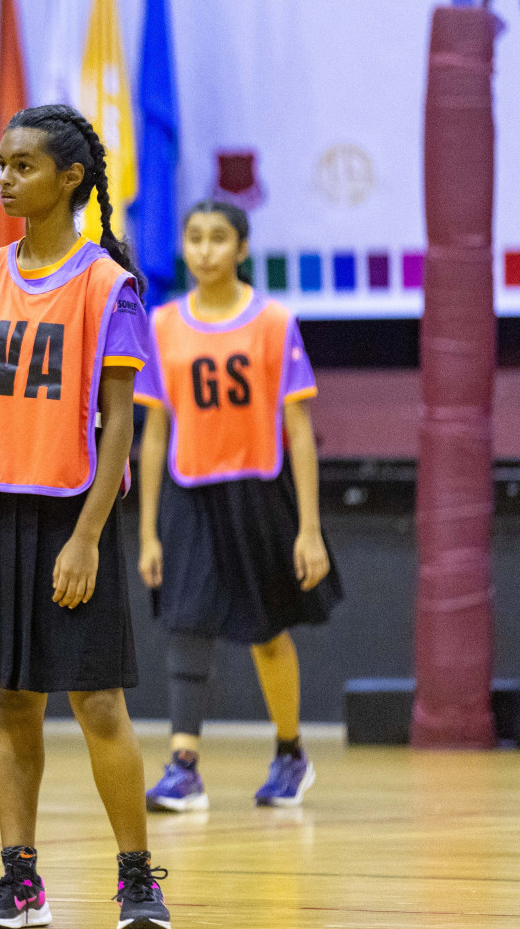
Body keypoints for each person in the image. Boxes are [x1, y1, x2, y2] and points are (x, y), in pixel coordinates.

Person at [0, 105, 172, 929]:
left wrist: (87, 537)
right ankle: (20, 880)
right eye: (1, 163)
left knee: (98, 704)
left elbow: (120, 426)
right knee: (12, 704)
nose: (4, 178)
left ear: (70, 178)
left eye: (23, 165)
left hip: (68, 517)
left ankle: (138, 880)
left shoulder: (108, 286)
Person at [134, 200, 342, 813]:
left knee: (268, 635)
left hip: (259, 493)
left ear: (242, 249)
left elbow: (298, 429)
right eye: (194, 238)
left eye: (218, 239)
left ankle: (289, 753)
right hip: (188, 494)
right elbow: (152, 434)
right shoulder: (164, 324)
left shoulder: (274, 322)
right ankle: (183, 766)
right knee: (186, 624)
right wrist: (146, 531)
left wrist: (309, 528)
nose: (204, 250)